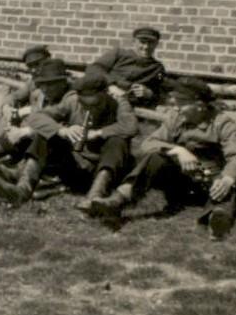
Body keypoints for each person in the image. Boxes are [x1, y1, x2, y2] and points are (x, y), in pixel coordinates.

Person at [88, 77, 236, 240]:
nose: (177, 108)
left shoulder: (223, 123)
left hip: (210, 182)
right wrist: (177, 150)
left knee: (228, 189)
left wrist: (228, 178)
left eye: (182, 104)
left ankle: (217, 219)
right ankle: (117, 201)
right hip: (180, 183)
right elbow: (148, 144)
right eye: (175, 103)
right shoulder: (176, 118)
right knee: (155, 157)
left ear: (200, 106)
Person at [8, 68, 139, 209]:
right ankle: (23, 189)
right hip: (76, 167)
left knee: (118, 141)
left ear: (105, 94)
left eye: (95, 105)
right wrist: (62, 130)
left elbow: (131, 127)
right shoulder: (72, 101)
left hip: (106, 169)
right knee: (45, 135)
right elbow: (36, 117)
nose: (90, 110)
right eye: (84, 105)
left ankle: (95, 196)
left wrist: (99, 133)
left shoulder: (119, 103)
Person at [0, 57, 72, 167]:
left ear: (63, 83)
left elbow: (60, 127)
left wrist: (25, 129)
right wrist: (7, 108)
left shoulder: (70, 99)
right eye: (42, 84)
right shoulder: (39, 90)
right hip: (21, 136)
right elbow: (14, 96)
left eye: (50, 84)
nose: (45, 89)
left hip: (45, 146)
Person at [89, 27, 166, 106]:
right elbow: (95, 68)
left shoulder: (157, 68)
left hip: (129, 103)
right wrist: (110, 86)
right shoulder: (119, 53)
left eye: (151, 43)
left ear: (156, 44)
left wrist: (149, 93)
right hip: (105, 93)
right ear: (134, 42)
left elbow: (160, 94)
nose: (146, 47)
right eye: (142, 42)